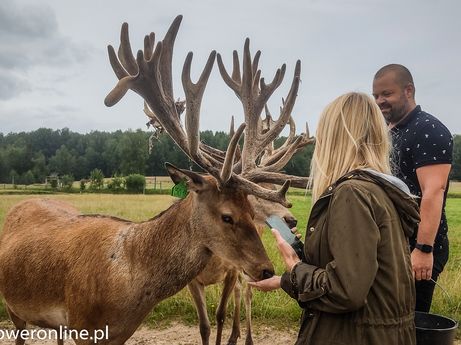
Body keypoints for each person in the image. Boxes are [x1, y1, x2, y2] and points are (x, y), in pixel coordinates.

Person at [250, 92, 420, 344]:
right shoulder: (381, 190)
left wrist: (296, 268)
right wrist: (289, 277)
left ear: (335, 139)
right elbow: (360, 272)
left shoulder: (352, 193)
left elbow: (345, 290)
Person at [372, 64, 453, 312]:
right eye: (375, 96)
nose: (380, 101)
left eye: (387, 94)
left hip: (416, 248)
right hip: (392, 245)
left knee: (411, 323)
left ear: (408, 90)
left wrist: (423, 249)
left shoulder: (428, 129)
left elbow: (434, 191)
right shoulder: (388, 131)